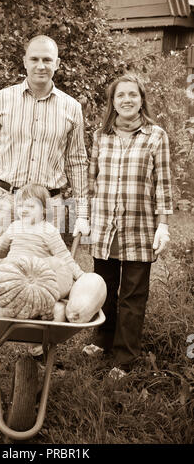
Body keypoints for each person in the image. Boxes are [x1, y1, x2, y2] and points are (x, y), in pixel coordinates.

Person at [0, 35, 90, 360]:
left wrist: (83, 212)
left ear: (57, 64)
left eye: (47, 59)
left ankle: (39, 342)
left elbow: (77, 161)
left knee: (47, 275)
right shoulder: (2, 99)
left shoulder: (71, 108)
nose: (41, 65)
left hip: (52, 204)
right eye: (35, 58)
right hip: (7, 199)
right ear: (24, 61)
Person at [88, 73, 173, 376]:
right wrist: (82, 217)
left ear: (141, 99)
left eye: (132, 94)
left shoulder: (155, 136)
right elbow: (90, 180)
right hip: (104, 226)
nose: (126, 99)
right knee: (104, 289)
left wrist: (162, 225)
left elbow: (162, 184)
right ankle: (101, 340)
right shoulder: (101, 135)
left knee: (133, 296)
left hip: (139, 229)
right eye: (120, 95)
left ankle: (124, 357)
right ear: (112, 102)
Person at [0, 183, 84, 282]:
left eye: (31, 206)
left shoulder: (49, 231)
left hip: (35, 278)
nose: (24, 210)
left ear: (45, 209)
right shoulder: (15, 226)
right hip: (11, 272)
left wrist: (80, 276)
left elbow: (64, 257)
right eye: (20, 206)